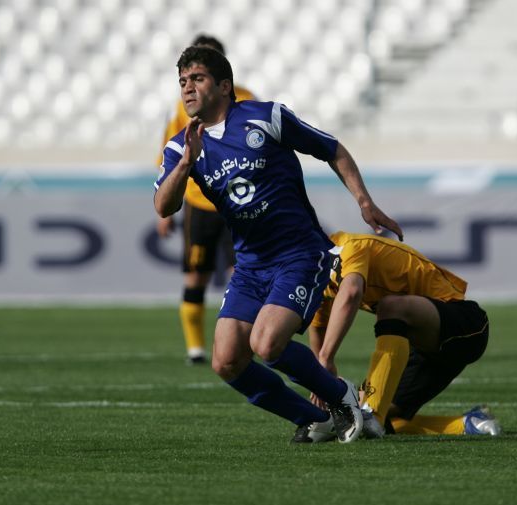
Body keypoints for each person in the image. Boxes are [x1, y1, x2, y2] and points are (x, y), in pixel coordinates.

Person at [154, 46, 402, 443]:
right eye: (182, 81)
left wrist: (364, 201)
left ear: (224, 86)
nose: (187, 88)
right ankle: (315, 419)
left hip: (299, 254)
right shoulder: (180, 147)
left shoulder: (265, 117)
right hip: (251, 265)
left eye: (197, 79)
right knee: (226, 361)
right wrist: (186, 163)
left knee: (266, 344)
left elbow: (331, 149)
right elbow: (164, 206)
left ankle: (341, 396)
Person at [305, 231, 500, 441]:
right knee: (361, 416)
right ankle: (468, 423)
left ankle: (373, 412)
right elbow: (318, 326)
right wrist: (321, 378)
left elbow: (352, 292)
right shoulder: (316, 273)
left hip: (465, 325)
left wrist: (326, 358)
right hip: (421, 352)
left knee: (391, 306)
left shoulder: (349, 246)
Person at [156, 34, 257, 366]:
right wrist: (163, 211)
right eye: (189, 76)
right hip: (199, 203)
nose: (193, 83)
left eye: (203, 71)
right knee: (195, 275)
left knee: (242, 272)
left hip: (236, 204)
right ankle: (195, 349)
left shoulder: (246, 99)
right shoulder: (181, 108)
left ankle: (246, 341)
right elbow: (168, 153)